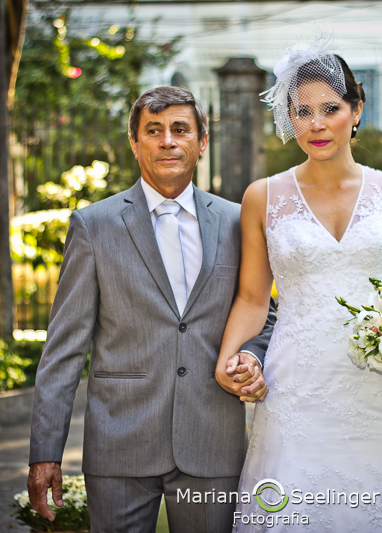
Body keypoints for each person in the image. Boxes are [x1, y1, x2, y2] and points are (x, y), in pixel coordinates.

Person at [215, 41, 382, 531]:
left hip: (380, 389)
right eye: (302, 112)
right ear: (289, 118)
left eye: (330, 109)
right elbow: (251, 298)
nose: (316, 124)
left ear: (356, 111)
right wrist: (227, 359)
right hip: (295, 390)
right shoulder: (262, 198)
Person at [28, 86, 276, 533]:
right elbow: (64, 348)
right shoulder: (93, 226)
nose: (167, 141)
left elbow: (264, 313)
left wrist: (252, 356)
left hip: (212, 437)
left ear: (202, 142)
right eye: (154, 130)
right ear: (134, 141)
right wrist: (45, 451)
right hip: (120, 440)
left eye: (180, 130)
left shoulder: (239, 221)